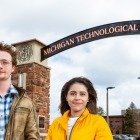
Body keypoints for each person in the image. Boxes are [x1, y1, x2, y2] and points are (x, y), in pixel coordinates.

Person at [46, 77, 113, 140]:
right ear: (66, 97)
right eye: (72, 94)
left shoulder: (98, 122)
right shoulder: (56, 124)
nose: (77, 98)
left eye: (82, 94)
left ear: (88, 98)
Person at [0, 42, 40, 140]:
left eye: (4, 62)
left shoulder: (27, 103)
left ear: (13, 68)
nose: (0, 66)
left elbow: (33, 136)